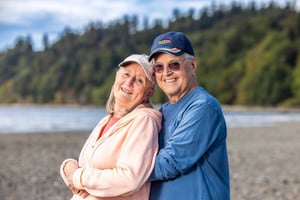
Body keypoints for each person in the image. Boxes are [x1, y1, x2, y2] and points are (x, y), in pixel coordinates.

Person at [60, 54, 162, 200]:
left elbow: (129, 178)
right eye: (126, 74)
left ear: (149, 92)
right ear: (116, 77)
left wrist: (78, 177)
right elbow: (86, 167)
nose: (129, 82)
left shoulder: (144, 121)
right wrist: (68, 166)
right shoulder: (106, 120)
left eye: (139, 80)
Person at [148, 31, 230, 200]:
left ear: (193, 65)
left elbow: (169, 163)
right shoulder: (161, 112)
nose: (166, 72)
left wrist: (120, 172)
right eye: (159, 67)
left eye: (174, 64)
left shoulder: (203, 107)